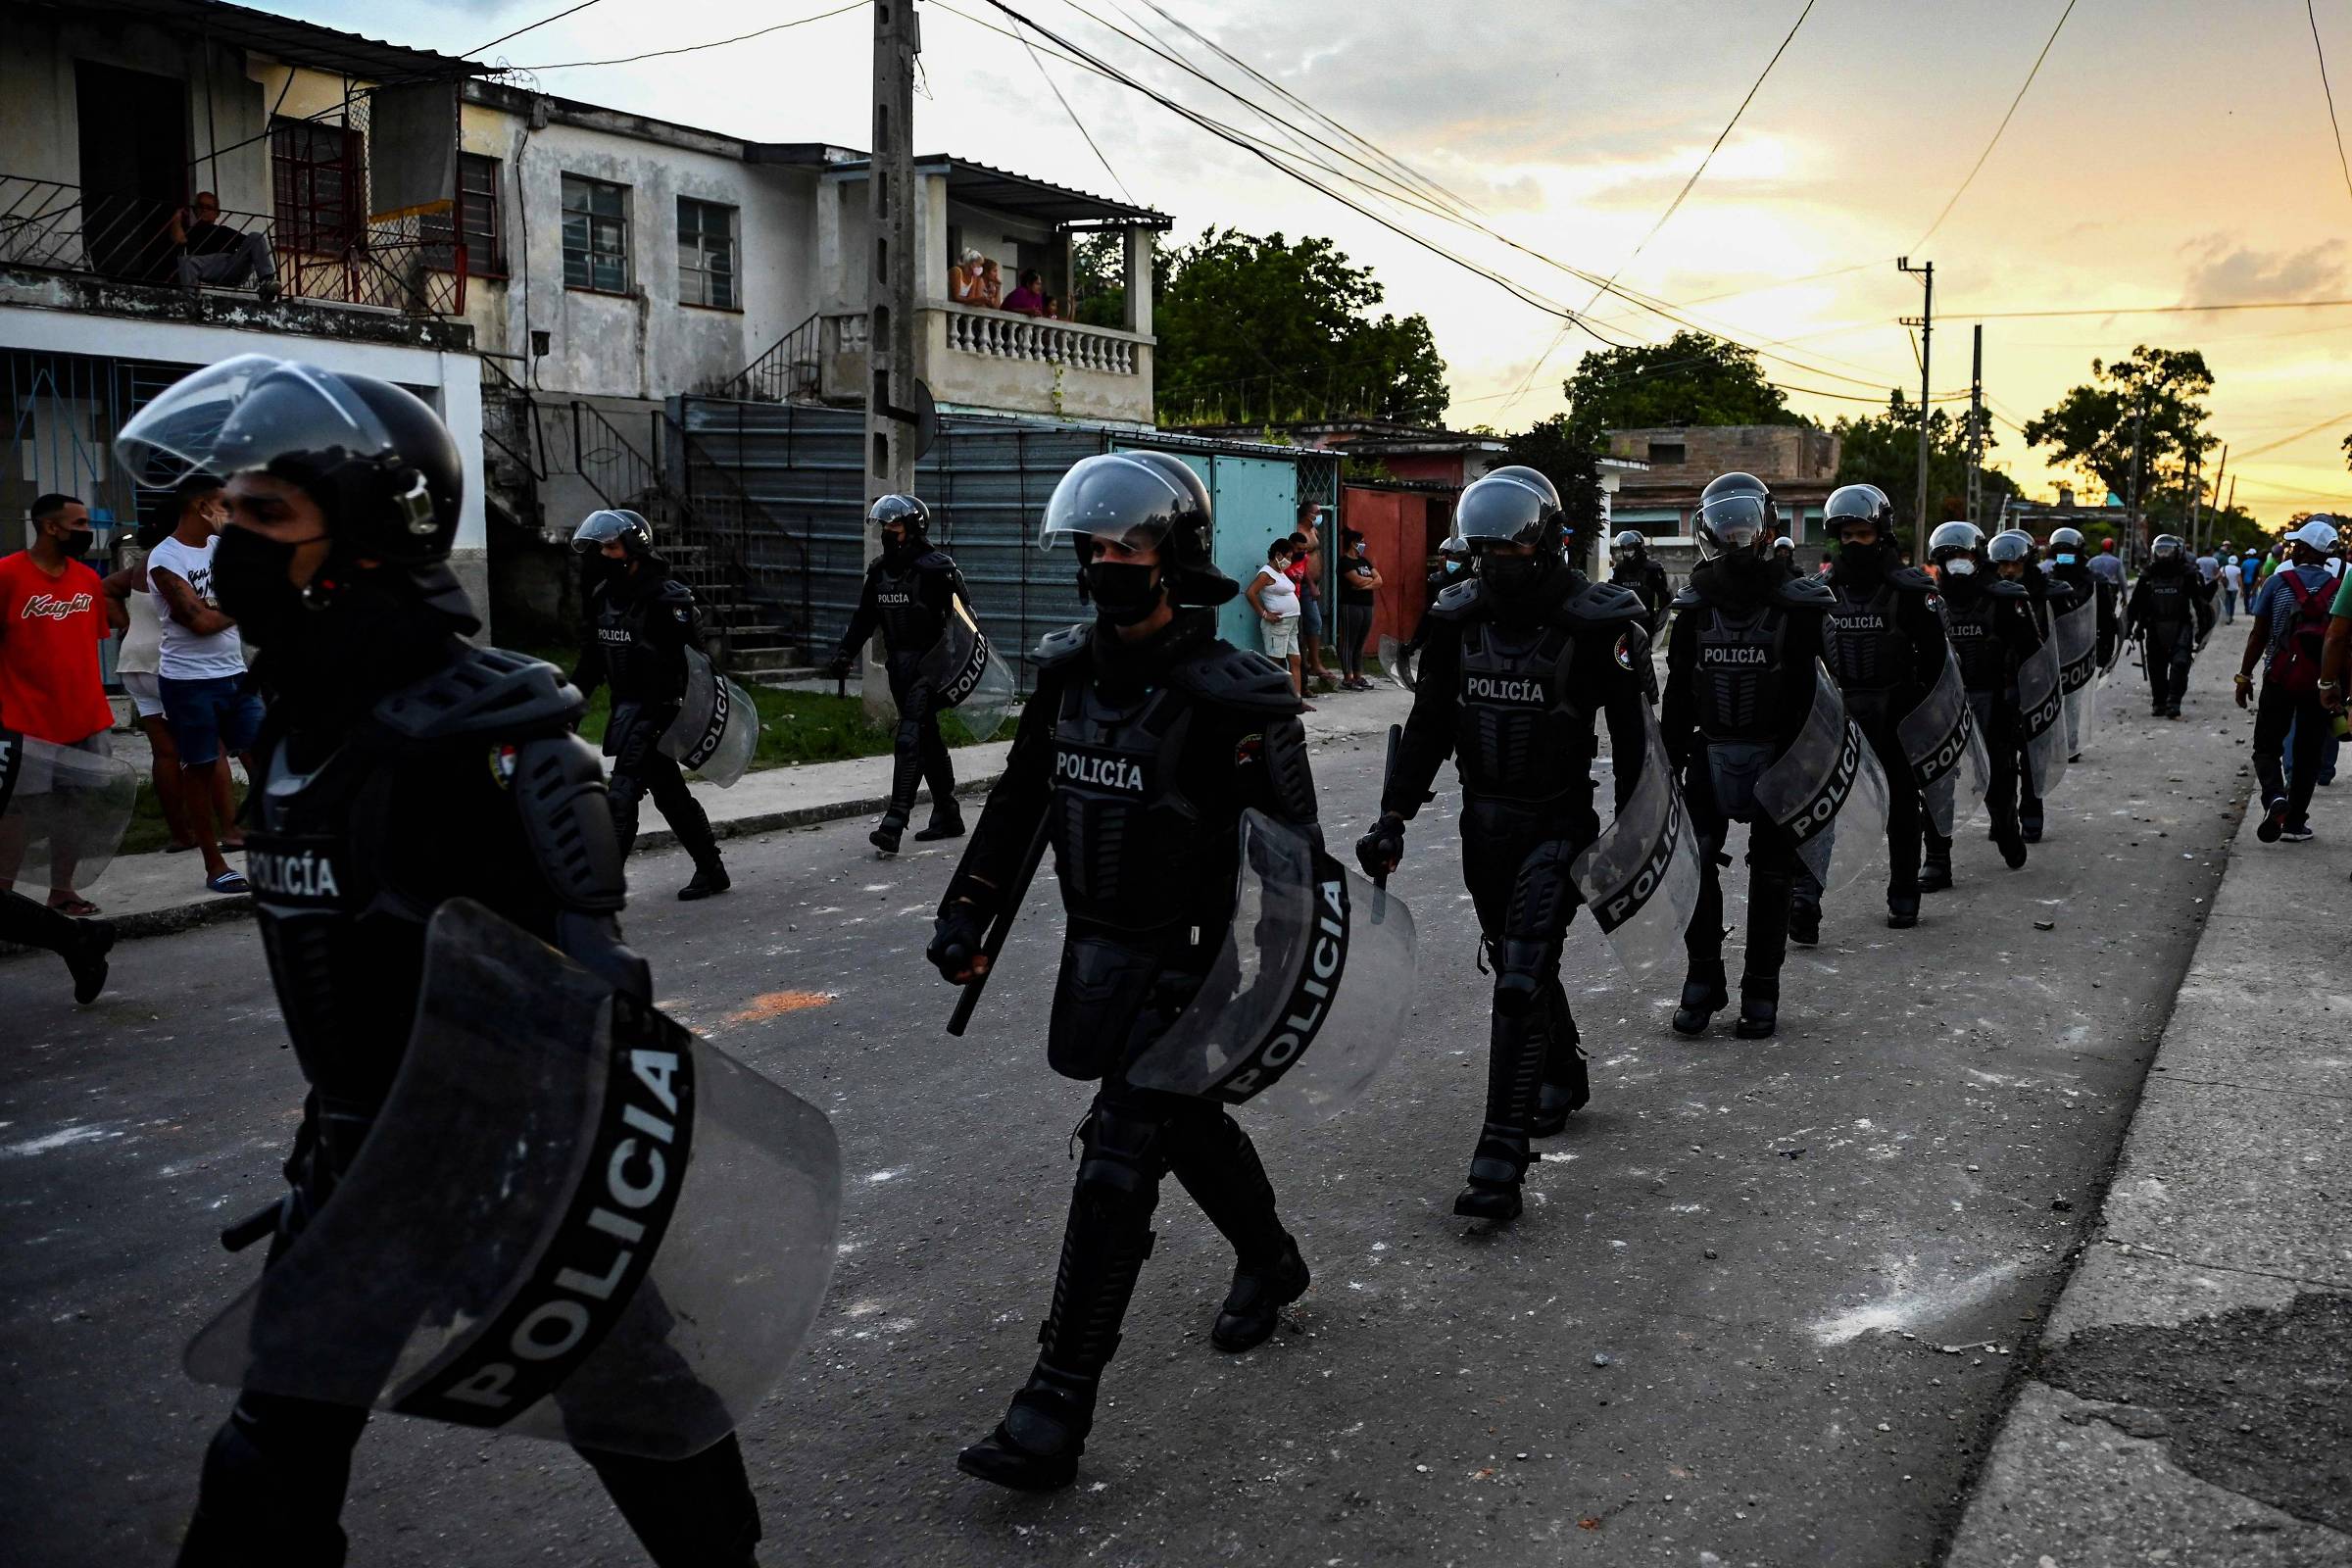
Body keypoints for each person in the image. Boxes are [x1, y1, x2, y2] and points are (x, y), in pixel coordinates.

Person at [117, 356, 765, 1567]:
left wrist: (543, 1153)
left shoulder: (491, 734)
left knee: (643, 1417)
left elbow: (601, 996)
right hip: (353, 1165)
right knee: (268, 1464)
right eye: (231, 511)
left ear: (358, 538)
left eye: (269, 515)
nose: (231, 540)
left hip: (513, 1166)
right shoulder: (299, 722)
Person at [927, 449, 1322, 1491]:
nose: (1110, 561)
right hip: (1095, 949)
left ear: (1175, 556)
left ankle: (1053, 1406)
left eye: (1131, 544)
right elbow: (1019, 805)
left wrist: (1285, 992)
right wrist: (967, 907)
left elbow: (1297, 857)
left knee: (1118, 1153)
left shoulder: (1235, 698)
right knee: (1180, 1125)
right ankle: (1272, 1257)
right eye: (1096, 545)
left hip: (1191, 968)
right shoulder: (1067, 680)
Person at [1356, 466, 1651, 1219]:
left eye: (1512, 550)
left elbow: (1633, 738)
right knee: (1517, 958)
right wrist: (1392, 816)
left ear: (1548, 541)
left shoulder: (1595, 621)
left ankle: (1501, 1155)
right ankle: (1563, 1069)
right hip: (1480, 825)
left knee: (1520, 973)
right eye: (1486, 552)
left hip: (1559, 820)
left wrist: (1633, 828)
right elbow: (1427, 728)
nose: (1499, 565)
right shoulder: (1458, 620)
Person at [1660, 473, 1834, 1039]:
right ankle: (1702, 978)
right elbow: (1680, 690)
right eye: (1726, 526)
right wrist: (1663, 762)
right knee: (1696, 861)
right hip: (1709, 750)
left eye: (1744, 525)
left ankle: (1762, 988)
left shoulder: (1800, 606)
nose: (1736, 537)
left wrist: (1802, 770)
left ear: (1765, 528)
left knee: (1773, 874)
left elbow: (1815, 697)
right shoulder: (1694, 609)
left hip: (1777, 757)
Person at [568, 509, 730, 900]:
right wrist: (569, 704)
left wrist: (684, 716)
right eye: (599, 548)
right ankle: (712, 871)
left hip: (660, 710)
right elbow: (592, 660)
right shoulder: (602, 598)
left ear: (634, 549)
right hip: (626, 711)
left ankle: (600, 889)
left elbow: (698, 666)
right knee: (670, 796)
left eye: (610, 547)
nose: (603, 556)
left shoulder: (667, 600)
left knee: (621, 794)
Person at [0, 492, 119, 999]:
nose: (85, 530)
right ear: (49, 528)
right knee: (18, 812)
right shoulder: (7, 575)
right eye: (78, 523)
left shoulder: (87, 580)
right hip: (22, 715)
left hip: (85, 713)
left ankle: (62, 891)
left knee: (75, 805)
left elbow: (84, 642)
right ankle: (4, 901)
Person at [1816, 484, 1948, 929]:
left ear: (1881, 534)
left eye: (1863, 535)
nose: (1854, 544)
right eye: (1846, 536)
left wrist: (1920, 718)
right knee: (1818, 809)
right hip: (1839, 716)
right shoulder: (1819, 593)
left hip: (1895, 713)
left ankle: (1904, 893)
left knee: (1901, 808)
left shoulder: (1911, 591)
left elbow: (1935, 665)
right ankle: (1803, 899)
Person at [826, 494, 970, 853]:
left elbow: (965, 621)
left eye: (894, 525)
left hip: (930, 664)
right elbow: (864, 618)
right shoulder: (879, 572)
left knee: (908, 739)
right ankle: (948, 813)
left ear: (913, 527)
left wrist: (954, 666)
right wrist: (846, 652)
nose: (887, 532)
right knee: (927, 739)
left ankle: (895, 821)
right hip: (899, 667)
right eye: (884, 525)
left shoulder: (937, 569)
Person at [147, 471, 263, 896]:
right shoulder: (165, 559)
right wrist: (241, 603)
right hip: (189, 682)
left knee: (265, 756)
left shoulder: (221, 547)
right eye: (225, 505)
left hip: (234, 672)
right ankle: (214, 865)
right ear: (202, 507)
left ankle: (276, 845)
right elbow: (198, 622)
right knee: (198, 769)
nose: (231, 513)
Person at [1929, 520, 2039, 878]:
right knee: (1938, 783)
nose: (1956, 563)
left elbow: (2032, 654)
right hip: (1945, 704)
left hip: (1995, 702)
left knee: (2000, 779)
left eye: (1962, 556)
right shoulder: (1929, 601)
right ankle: (1937, 859)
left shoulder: (2004, 599)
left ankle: (2008, 830)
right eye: (1949, 558)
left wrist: (2020, 693)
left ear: (1977, 557)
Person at [2237, 517, 2342, 844]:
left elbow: (2258, 635)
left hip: (2278, 679)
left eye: (2296, 545)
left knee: (2266, 747)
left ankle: (2274, 797)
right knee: (2309, 753)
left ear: (2305, 550)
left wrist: (2244, 675)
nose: (2291, 549)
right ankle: (2295, 823)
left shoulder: (2277, 582)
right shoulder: (2339, 589)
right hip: (2319, 685)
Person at [101, 519, 201, 854]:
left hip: (134, 662)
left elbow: (105, 588)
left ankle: (180, 833)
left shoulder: (142, 564)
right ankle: (222, 828)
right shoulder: (179, 561)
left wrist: (125, 627)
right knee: (205, 749)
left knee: (165, 753)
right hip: (170, 664)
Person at [1989, 529, 2076, 844]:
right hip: (1998, 686)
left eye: (2014, 564)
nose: (2008, 570)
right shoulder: (1989, 594)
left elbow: (2066, 637)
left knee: (2031, 756)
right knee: (2000, 760)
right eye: (2002, 564)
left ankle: (2031, 814)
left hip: (2036, 687)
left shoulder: (2046, 594)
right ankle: (2004, 816)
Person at [2125, 534, 2213, 719]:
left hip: (2181, 624)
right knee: (2156, 667)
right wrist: (2130, 626)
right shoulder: (2147, 575)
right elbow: (2135, 604)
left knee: (2180, 663)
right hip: (2154, 625)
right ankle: (2159, 702)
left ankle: (2174, 701)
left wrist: (2203, 629)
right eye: (2161, 551)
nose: (2164, 555)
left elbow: (2199, 602)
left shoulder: (2187, 574)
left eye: (2167, 551)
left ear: (2177, 552)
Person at [168, 192, 279, 300]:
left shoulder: (224, 231)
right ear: (194, 210)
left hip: (230, 266)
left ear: (217, 213)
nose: (204, 210)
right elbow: (179, 239)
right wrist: (176, 217)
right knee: (186, 261)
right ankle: (191, 298)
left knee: (256, 236)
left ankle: (266, 281)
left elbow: (253, 244)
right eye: (200, 206)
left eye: (209, 207)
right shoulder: (191, 231)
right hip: (207, 267)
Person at [2046, 525, 2120, 670]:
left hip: (2085, 651)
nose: (2064, 556)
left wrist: (2104, 656)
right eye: (2060, 553)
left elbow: (2107, 622)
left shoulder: (2095, 583)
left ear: (2079, 553)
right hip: (2054, 653)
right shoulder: (2046, 583)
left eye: (2069, 553)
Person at [1244, 536, 1304, 701]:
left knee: (1295, 659)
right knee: (1275, 661)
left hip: (1291, 622)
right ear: (1278, 555)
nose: (1289, 561)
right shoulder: (1266, 573)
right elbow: (1250, 593)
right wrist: (1265, 614)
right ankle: (1269, 696)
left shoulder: (1281, 573)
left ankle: (1296, 697)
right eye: (1288, 557)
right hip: (1278, 624)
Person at [1293, 503, 1337, 690]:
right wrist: (1311, 583)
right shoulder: (1299, 531)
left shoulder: (1314, 531)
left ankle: (1311, 660)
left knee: (1312, 623)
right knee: (1313, 622)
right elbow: (1301, 561)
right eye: (1316, 513)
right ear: (1306, 514)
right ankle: (1314, 662)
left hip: (1314, 585)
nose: (1320, 516)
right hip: (1303, 585)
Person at [1335, 527, 1381, 691]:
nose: (1363, 544)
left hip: (1366, 604)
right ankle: (1347, 678)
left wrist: (1363, 584)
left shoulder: (1364, 561)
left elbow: (1379, 580)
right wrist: (1367, 582)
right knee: (1349, 641)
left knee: (1360, 642)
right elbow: (1357, 581)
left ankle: (1358, 676)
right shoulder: (1344, 562)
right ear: (1353, 544)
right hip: (1350, 605)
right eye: (1360, 542)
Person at [1609, 528, 1672, 639]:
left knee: (1643, 650)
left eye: (1630, 548)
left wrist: (1659, 618)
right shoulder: (1620, 568)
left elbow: (1664, 596)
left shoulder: (1652, 569)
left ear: (1638, 548)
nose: (1626, 552)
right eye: (1624, 548)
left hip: (1645, 619)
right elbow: (1613, 591)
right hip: (1623, 617)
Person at [2221, 552, 2242, 623]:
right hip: (2234, 589)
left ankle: (2227, 616)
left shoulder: (2223, 568)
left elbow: (2220, 579)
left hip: (2225, 588)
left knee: (2227, 603)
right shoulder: (2238, 569)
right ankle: (2231, 616)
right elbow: (2239, 580)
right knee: (2232, 603)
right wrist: (2242, 589)